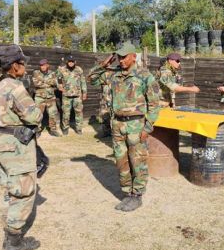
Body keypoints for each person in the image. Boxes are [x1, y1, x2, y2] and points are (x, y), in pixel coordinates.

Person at [90, 41, 161, 212]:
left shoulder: (145, 76)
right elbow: (92, 79)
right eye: (119, 57)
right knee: (121, 161)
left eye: (123, 57)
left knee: (138, 161)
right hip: (117, 124)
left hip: (136, 125)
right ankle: (127, 192)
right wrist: (104, 64)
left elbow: (154, 105)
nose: (120, 60)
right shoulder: (114, 75)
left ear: (133, 57)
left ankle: (137, 195)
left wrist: (147, 128)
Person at [0, 44, 42, 250]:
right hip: (16, 145)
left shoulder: (0, 85)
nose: (25, 66)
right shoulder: (14, 87)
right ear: (14, 66)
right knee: (24, 191)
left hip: (2, 141)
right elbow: (33, 115)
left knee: (12, 187)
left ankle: (13, 232)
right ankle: (14, 240)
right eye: (22, 63)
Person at [56, 55, 87, 135]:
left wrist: (84, 92)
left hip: (77, 95)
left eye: (72, 61)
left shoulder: (79, 70)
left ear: (75, 62)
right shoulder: (62, 69)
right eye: (69, 61)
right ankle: (65, 128)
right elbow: (58, 78)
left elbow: (83, 81)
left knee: (79, 112)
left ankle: (79, 129)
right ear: (67, 62)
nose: (71, 63)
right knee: (66, 113)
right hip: (66, 95)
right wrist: (60, 86)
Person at [88, 55, 116, 138]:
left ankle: (116, 133)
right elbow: (91, 76)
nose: (107, 63)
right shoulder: (101, 74)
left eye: (108, 62)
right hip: (105, 100)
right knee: (105, 117)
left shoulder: (117, 71)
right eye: (105, 62)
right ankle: (107, 133)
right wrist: (101, 66)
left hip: (117, 99)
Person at [32, 59, 61, 137]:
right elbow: (36, 83)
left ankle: (53, 130)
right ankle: (37, 130)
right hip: (39, 97)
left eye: (44, 65)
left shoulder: (53, 73)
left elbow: (55, 83)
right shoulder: (36, 73)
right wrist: (49, 83)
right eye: (41, 65)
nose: (42, 67)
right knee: (38, 114)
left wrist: (43, 82)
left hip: (51, 97)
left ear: (47, 65)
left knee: (53, 114)